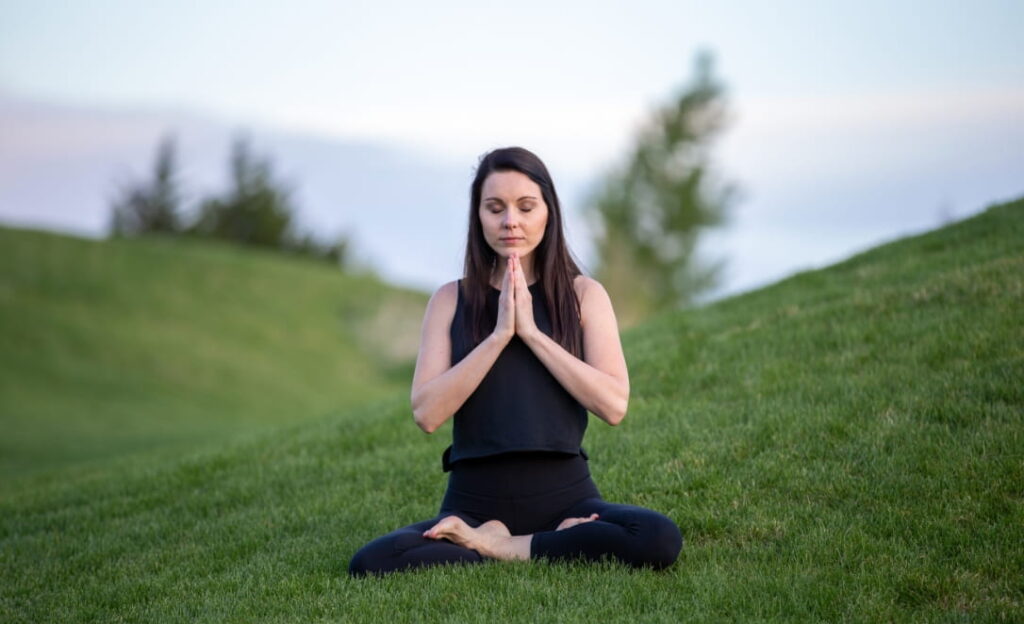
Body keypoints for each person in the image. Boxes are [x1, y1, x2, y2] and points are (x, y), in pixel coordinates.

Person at [348, 146, 682, 576]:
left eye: (526, 206)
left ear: (548, 212)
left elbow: (614, 405)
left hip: (568, 498)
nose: (511, 221)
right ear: (478, 216)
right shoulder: (449, 300)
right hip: (473, 504)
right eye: (495, 208)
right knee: (372, 561)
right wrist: (500, 334)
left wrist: (532, 334)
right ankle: (529, 541)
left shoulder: (584, 296)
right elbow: (426, 413)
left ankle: (504, 546)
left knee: (657, 537)